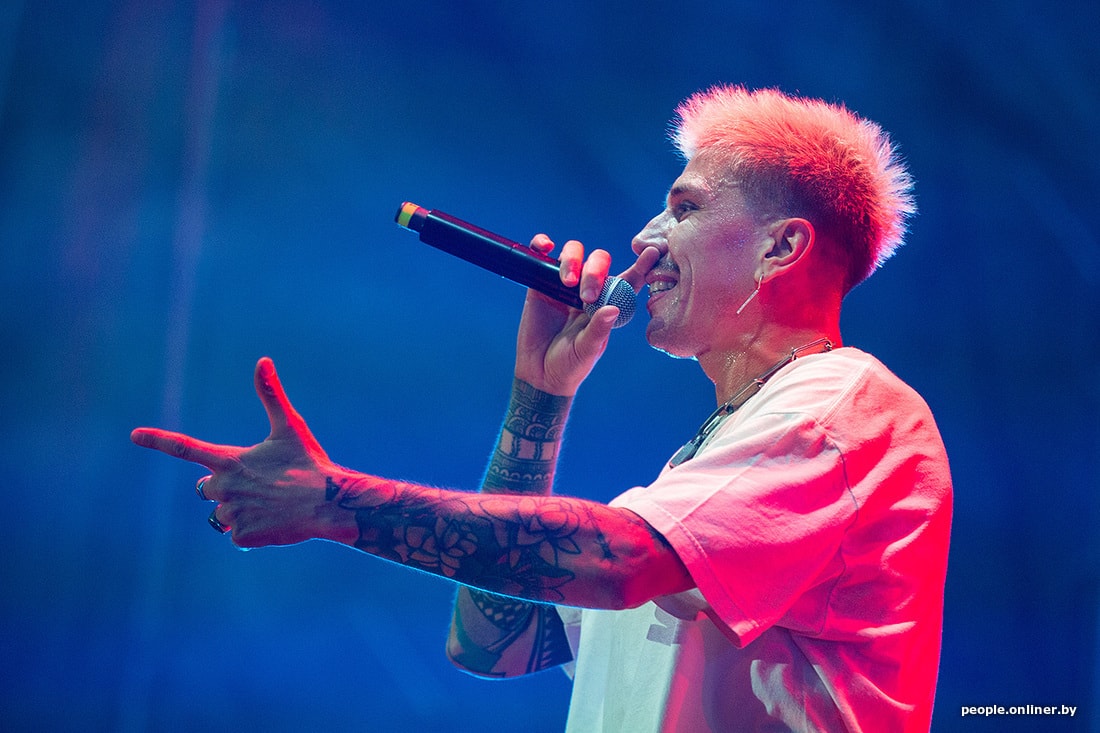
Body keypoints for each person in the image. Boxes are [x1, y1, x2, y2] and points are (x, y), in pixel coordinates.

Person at [132, 85, 952, 732]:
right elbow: (492, 640)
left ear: (782, 246)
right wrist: (541, 391)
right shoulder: (706, 463)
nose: (645, 237)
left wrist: (332, 501)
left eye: (686, 208)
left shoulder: (846, 408)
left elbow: (619, 561)